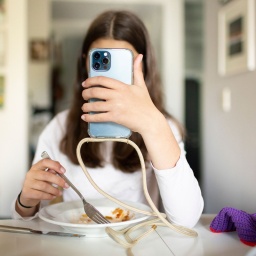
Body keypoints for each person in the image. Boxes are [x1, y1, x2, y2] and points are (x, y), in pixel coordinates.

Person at [12, 10, 204, 228]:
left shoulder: (162, 126)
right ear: (85, 63)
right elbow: (31, 221)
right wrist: (25, 202)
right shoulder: (59, 127)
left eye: (121, 63)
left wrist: (153, 125)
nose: (110, 78)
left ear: (143, 67)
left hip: (136, 244)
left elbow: (187, 220)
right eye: (102, 60)